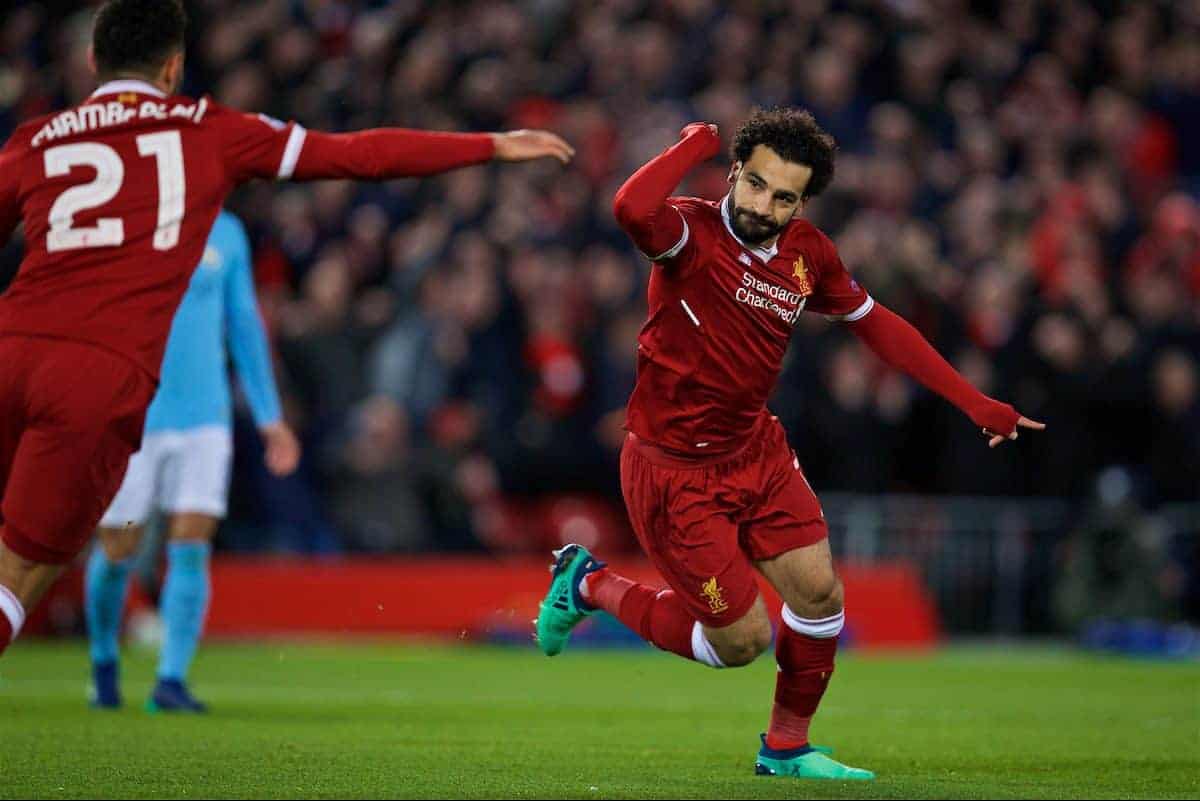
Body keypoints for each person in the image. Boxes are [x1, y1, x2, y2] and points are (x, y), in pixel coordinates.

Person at [0, 0, 574, 658]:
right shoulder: (209, 129)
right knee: (20, 576)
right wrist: (490, 144)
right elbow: (357, 155)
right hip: (95, 376)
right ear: (173, 67)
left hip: (9, 347)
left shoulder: (36, 136)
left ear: (93, 61)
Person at [536, 109, 1043, 781]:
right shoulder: (690, 232)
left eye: (783, 196)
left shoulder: (809, 256)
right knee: (738, 643)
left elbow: (879, 325)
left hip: (756, 451)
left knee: (818, 594)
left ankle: (785, 748)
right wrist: (693, 145)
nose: (762, 204)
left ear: (802, 203)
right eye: (754, 184)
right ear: (736, 174)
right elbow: (630, 205)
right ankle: (590, 582)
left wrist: (975, 401)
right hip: (674, 472)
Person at [86, 209, 297, 712]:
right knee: (120, 548)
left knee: (191, 543)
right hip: (136, 415)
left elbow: (244, 323)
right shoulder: (129, 214)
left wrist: (270, 415)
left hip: (207, 417)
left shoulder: (226, 230)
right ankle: (103, 659)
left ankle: (170, 680)